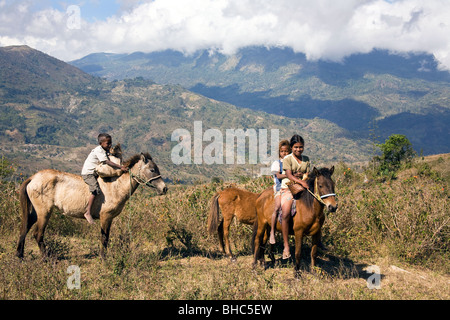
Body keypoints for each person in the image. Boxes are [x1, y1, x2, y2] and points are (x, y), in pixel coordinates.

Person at [81, 133, 128, 224]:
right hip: (89, 174)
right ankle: (88, 212)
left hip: (95, 173)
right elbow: (107, 162)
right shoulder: (98, 150)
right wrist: (120, 167)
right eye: (108, 143)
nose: (109, 145)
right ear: (101, 143)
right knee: (95, 190)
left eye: (110, 143)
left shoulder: (103, 149)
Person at [279, 134, 311, 259]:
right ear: (292, 147)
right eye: (296, 147)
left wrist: (303, 180)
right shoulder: (287, 158)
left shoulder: (306, 159)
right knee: (286, 211)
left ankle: (317, 238)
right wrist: (300, 180)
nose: (298, 149)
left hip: (303, 187)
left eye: (301, 147)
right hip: (288, 187)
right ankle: (286, 245)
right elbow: (289, 175)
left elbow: (306, 174)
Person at [269, 140, 291, 245]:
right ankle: (272, 231)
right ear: (279, 152)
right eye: (282, 151)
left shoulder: (291, 162)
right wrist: (290, 175)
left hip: (291, 188)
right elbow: (278, 176)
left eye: (287, 151)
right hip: (279, 188)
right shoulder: (277, 163)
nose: (285, 153)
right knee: (277, 207)